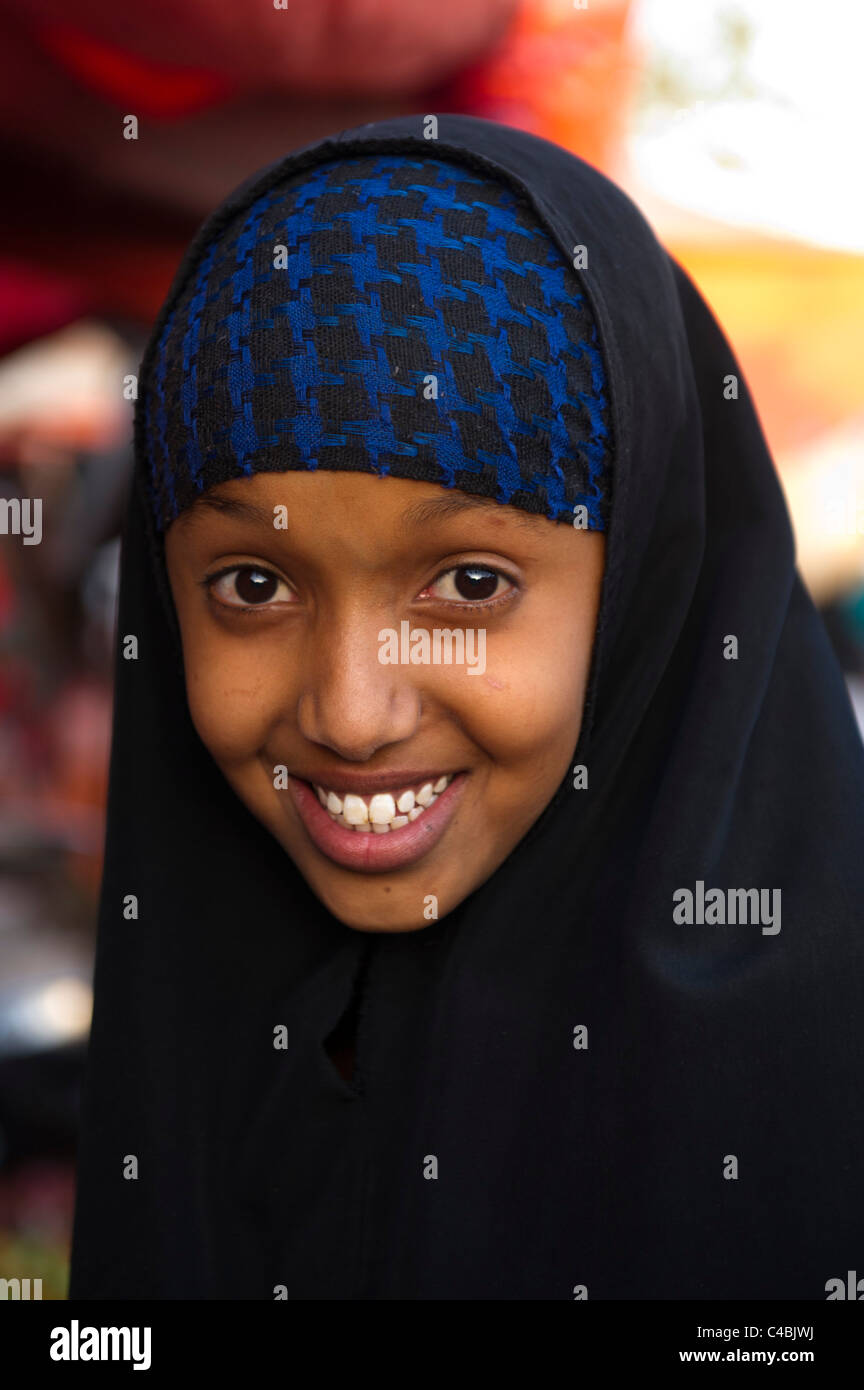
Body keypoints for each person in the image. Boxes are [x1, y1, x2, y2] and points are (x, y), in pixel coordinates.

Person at [69, 114, 864, 1300]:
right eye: (254, 585)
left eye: (470, 584)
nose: (350, 711)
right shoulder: (205, 1030)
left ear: (649, 581)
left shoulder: (805, 1105)